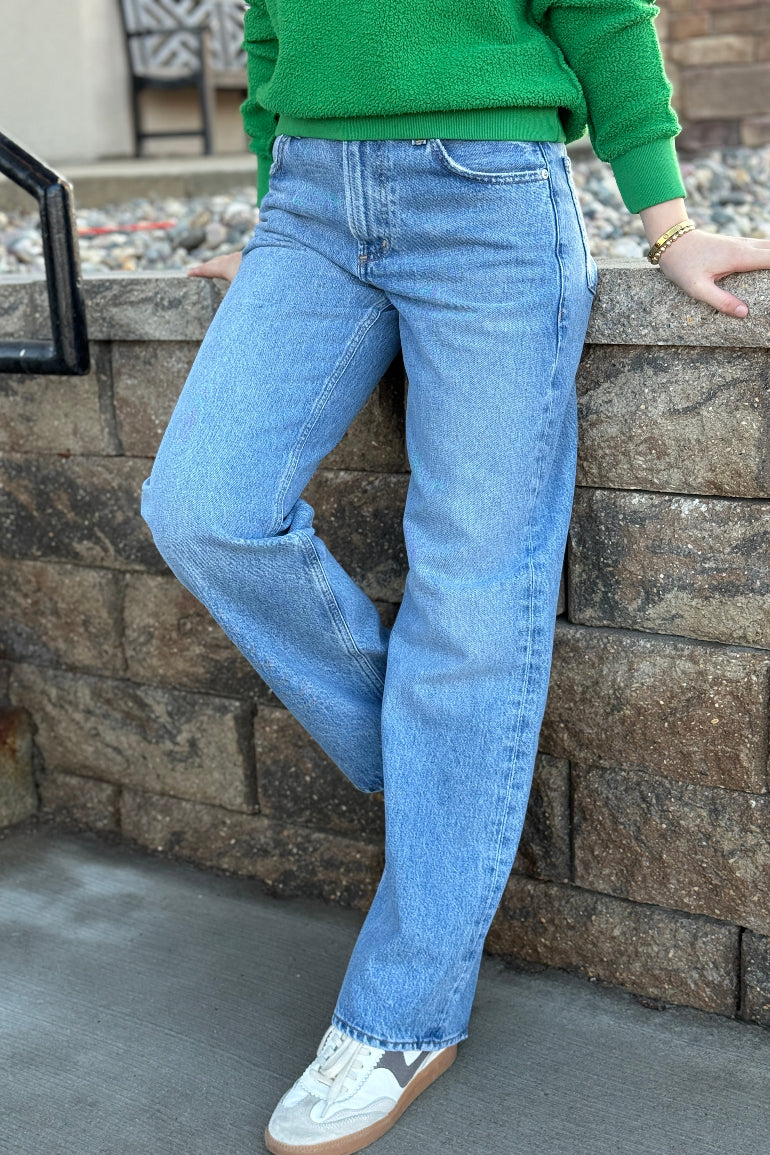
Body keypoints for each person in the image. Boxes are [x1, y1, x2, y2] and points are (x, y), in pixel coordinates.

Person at [140, 2, 770, 1153]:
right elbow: (271, 39)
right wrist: (275, 201)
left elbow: (602, 15)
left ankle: (402, 1017)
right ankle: (447, 769)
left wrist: (665, 219)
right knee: (201, 508)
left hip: (490, 200)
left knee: (472, 597)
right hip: (310, 212)